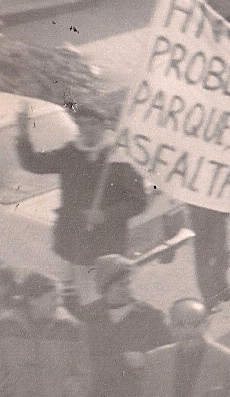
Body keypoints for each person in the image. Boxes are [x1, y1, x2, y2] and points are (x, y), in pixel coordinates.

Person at [16, 100, 150, 298]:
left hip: (108, 245)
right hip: (74, 242)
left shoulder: (120, 159)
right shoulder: (70, 153)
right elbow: (33, 163)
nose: (87, 129)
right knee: (77, 297)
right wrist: (23, 134)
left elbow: (139, 202)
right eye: (82, 124)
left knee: (107, 297)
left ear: (103, 126)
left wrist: (105, 215)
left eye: (93, 124)